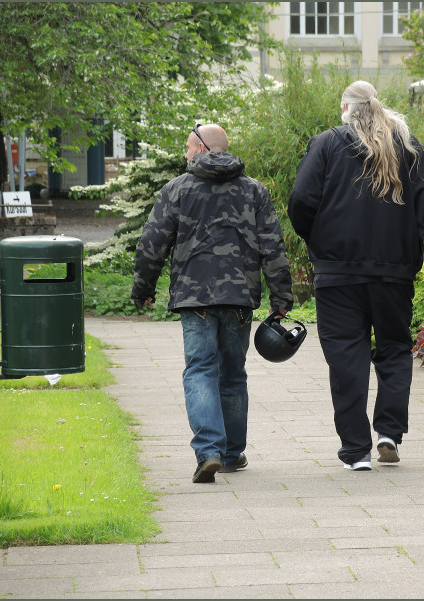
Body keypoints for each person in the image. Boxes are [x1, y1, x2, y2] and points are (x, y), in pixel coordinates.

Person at [288, 81, 424, 471]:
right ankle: (389, 432)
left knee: (346, 357)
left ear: (345, 107)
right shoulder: (408, 148)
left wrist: (319, 238)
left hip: (338, 273)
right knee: (394, 349)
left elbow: (300, 202)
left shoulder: (327, 143)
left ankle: (356, 450)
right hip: (394, 273)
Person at [132, 124, 294, 483]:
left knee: (201, 370)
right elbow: (273, 247)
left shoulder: (177, 189)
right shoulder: (255, 191)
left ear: (204, 148)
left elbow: (152, 243)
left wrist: (143, 288)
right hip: (238, 298)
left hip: (194, 299)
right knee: (233, 374)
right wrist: (281, 297)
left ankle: (208, 451)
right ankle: (233, 453)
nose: (185, 154)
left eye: (189, 147)